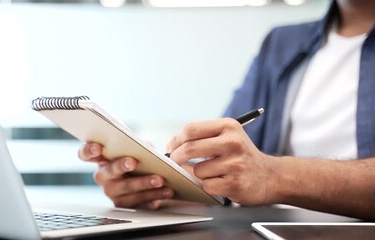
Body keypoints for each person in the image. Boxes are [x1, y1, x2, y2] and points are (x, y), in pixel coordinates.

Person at [78, 0, 375, 220]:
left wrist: (273, 177)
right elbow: (231, 173)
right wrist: (154, 184)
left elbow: (261, 176)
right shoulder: (280, 44)